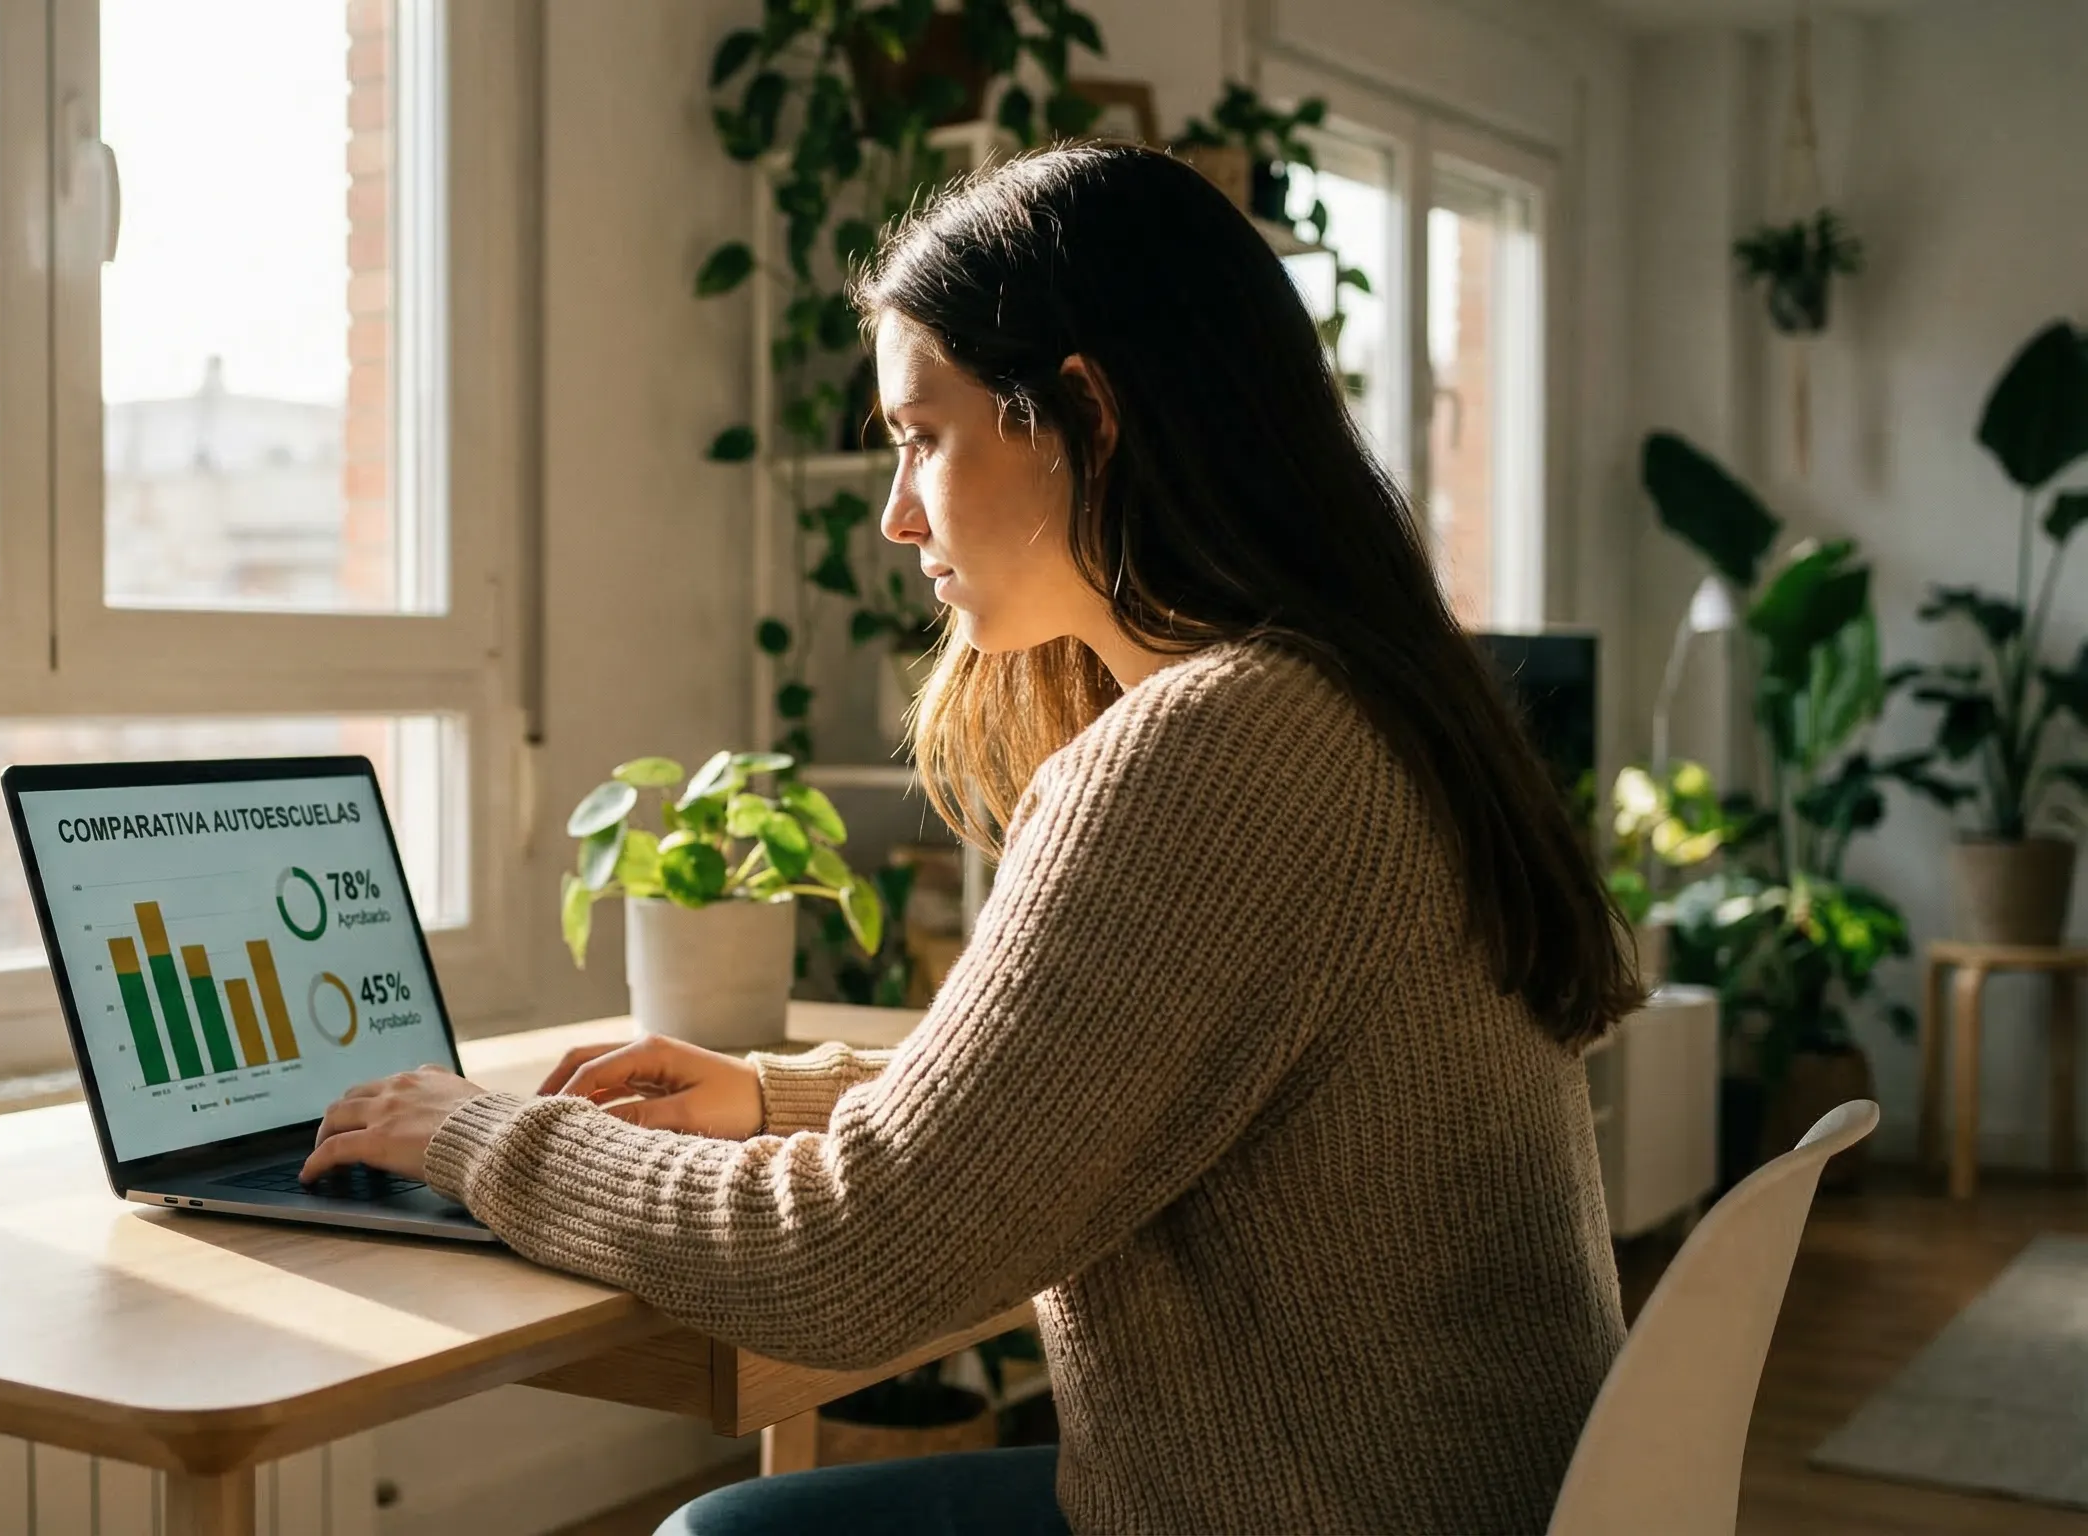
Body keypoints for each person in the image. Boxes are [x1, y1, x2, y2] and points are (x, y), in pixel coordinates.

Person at [298, 142, 1638, 1535]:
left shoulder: (1217, 752)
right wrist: (778, 1100)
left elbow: (850, 1261)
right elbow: (1098, 1091)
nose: (894, 513)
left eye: (922, 435)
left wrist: (477, 1133)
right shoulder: (1354, 699)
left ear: (1084, 416)